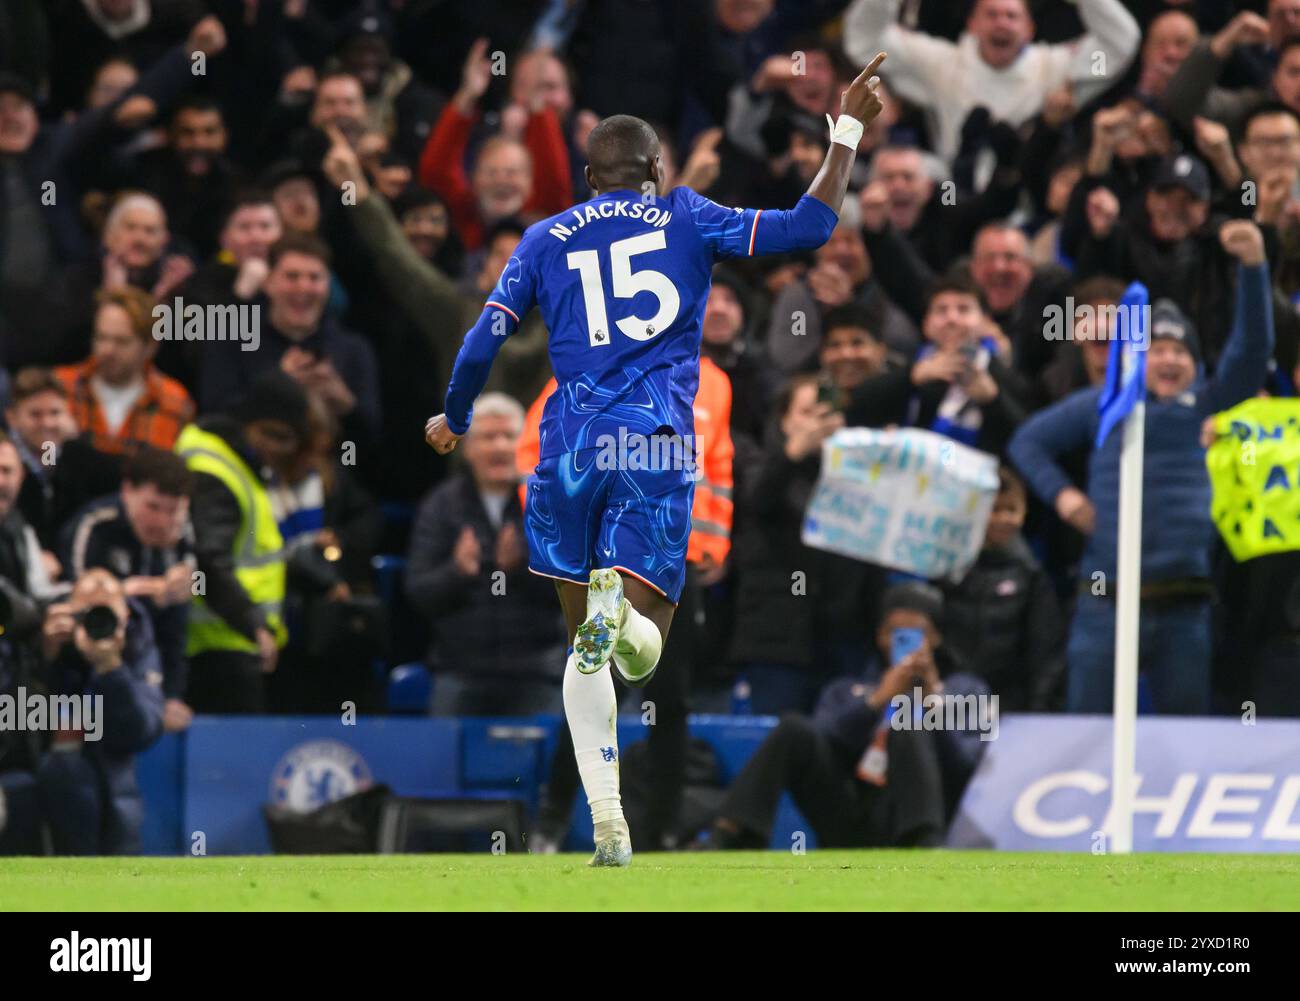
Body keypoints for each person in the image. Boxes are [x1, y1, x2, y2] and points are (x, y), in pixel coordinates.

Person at [425, 55, 889, 866]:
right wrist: (845, 129)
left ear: (585, 176)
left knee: (584, 652)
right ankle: (625, 620)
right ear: (656, 170)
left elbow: (484, 337)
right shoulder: (685, 217)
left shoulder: (541, 237)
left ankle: (607, 822)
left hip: (567, 446)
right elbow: (810, 226)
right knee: (647, 645)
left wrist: (454, 415)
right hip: (653, 440)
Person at [1009, 221, 1274, 715]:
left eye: (1181, 351)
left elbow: (1252, 350)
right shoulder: (1105, 406)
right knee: (1086, 731)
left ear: (1197, 364)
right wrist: (1066, 499)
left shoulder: (1206, 405)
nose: (1169, 360)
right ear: (1134, 359)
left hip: (1185, 608)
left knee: (1182, 736)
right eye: (1157, 351)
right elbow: (1028, 442)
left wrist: (1255, 267)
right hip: (1104, 603)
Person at [698, 582, 989, 850]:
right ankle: (732, 834)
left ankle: (925, 845)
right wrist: (875, 701)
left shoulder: (967, 690)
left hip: (924, 817)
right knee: (793, 728)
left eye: (917, 634)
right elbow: (825, 739)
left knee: (908, 724)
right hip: (852, 816)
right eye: (896, 634)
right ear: (880, 636)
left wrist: (931, 704)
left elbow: (967, 769)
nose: (907, 645)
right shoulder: (849, 688)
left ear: (935, 638)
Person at [406, 394, 564, 715]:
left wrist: (524, 568)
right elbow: (418, 592)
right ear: (467, 448)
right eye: (488, 437)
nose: (500, 447)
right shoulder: (441, 506)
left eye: (510, 436)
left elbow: (578, 592)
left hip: (540, 669)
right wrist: (458, 571)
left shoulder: (551, 502)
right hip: (460, 669)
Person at [175, 371, 300, 714]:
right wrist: (253, 623)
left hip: (229, 642)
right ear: (247, 423)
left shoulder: (235, 463)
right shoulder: (214, 469)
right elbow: (208, 557)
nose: (278, 449)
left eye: (288, 440)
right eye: (272, 434)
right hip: (219, 647)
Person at [62, 446, 195, 732]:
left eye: (173, 511)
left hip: (146, 670)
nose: (161, 521)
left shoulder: (181, 535)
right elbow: (75, 602)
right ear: (127, 491)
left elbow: (176, 631)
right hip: (82, 674)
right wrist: (142, 591)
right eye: (153, 507)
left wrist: (171, 695)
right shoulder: (94, 525)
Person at [34, 568, 165, 854]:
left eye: (107, 613)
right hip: (53, 779)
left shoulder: (137, 641)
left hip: (115, 778)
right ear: (71, 612)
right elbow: (19, 721)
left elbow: (143, 731)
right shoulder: (48, 635)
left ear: (125, 614)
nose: (97, 622)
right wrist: (46, 658)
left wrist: (111, 668)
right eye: (88, 613)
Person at [54, 286, 195, 456]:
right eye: (101, 338)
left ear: (150, 346)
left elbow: (176, 477)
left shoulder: (174, 403)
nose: (108, 350)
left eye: (122, 341)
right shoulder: (58, 388)